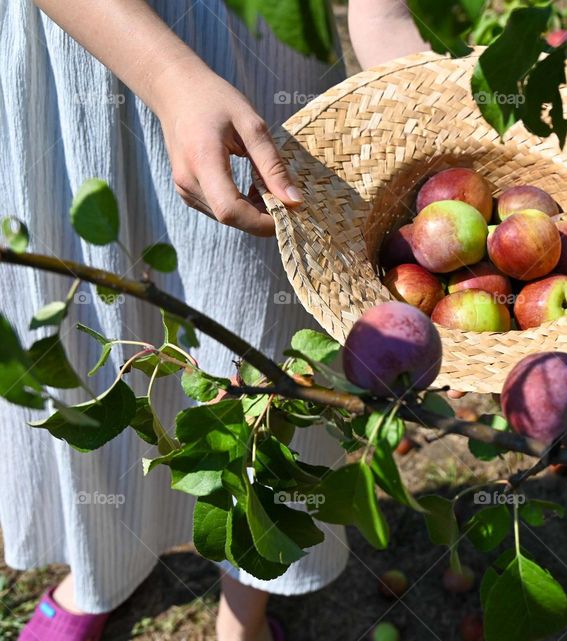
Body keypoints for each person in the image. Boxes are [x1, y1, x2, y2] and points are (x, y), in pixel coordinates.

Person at [1, 1, 428, 640]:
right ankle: (102, 566)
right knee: (90, 334)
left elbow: (381, 14)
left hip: (257, 79)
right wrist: (169, 77)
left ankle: (244, 605)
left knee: (265, 354)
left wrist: (420, 86)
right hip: (82, 44)